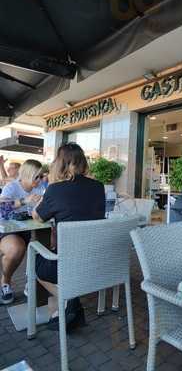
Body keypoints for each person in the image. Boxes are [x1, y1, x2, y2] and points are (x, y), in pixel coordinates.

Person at [32, 142, 105, 332]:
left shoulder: (56, 189)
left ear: (60, 164)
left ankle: (68, 300)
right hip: (97, 261)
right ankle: (69, 302)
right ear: (83, 163)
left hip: (67, 263)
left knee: (36, 264)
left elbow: (38, 217)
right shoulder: (98, 187)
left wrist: (39, 201)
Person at [0, 159, 43, 304]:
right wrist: (24, 201)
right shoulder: (12, 187)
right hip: (6, 230)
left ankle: (33, 282)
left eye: (41, 176)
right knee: (16, 249)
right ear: (27, 175)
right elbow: (2, 209)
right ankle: (5, 282)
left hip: (28, 229)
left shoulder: (40, 188)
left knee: (46, 244)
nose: (39, 180)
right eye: (36, 176)